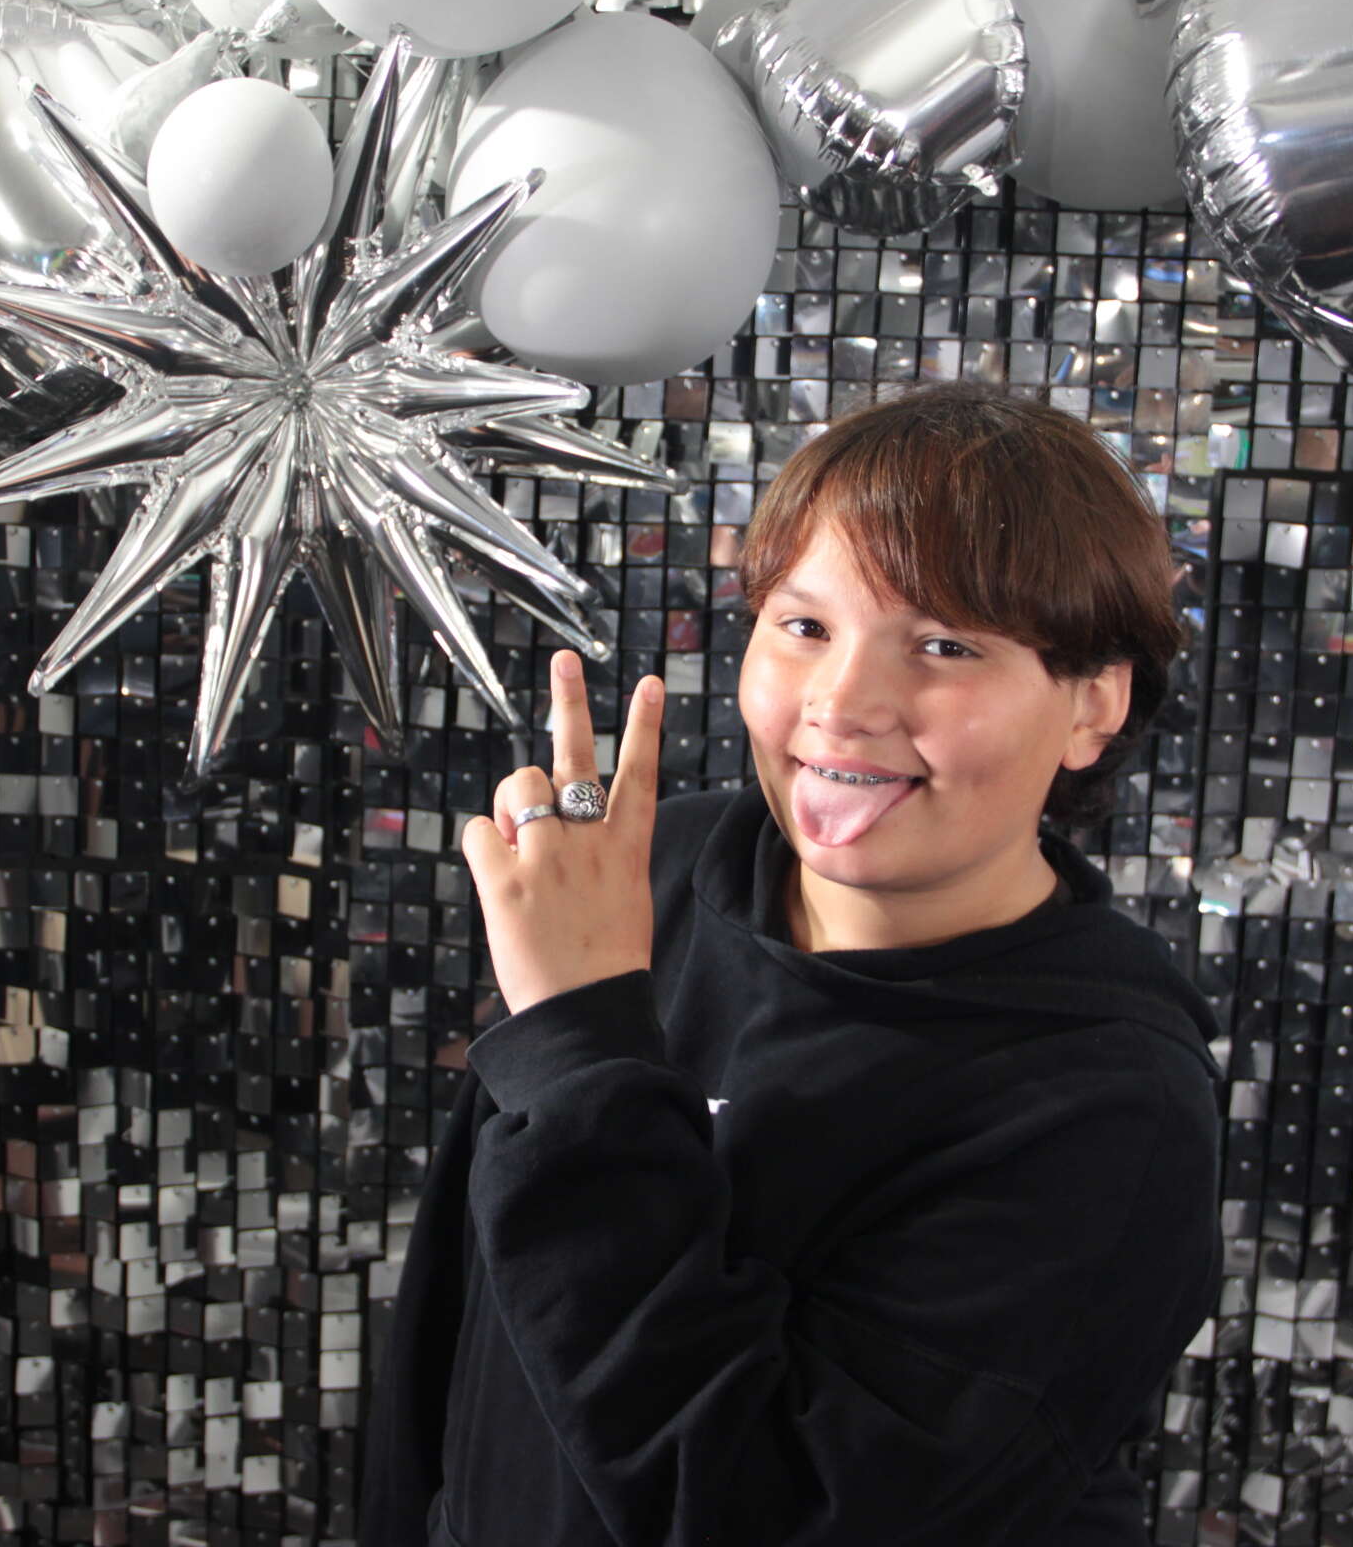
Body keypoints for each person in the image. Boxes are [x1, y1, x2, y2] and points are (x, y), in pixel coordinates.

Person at [361, 382, 1224, 1547]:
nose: (844, 704)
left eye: (944, 644)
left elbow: (772, 1512)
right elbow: (470, 1329)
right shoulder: (640, 875)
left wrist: (578, 1049)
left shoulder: (1112, 1106)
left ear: (1092, 706)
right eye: (805, 627)